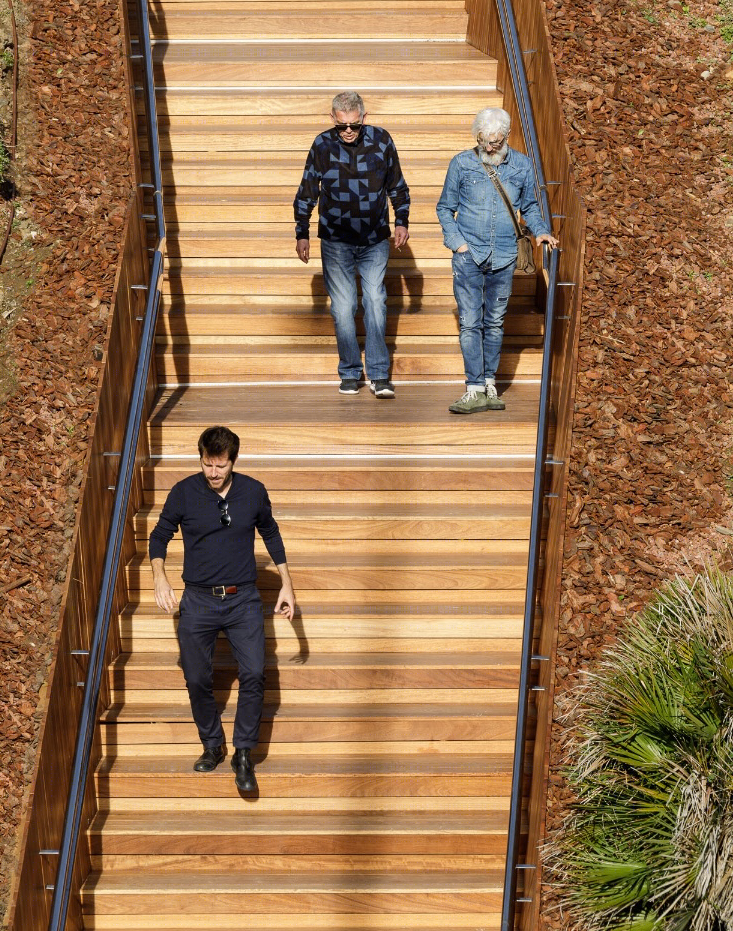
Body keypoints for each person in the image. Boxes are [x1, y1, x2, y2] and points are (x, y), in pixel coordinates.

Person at [149, 425, 295, 792]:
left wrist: (287, 585)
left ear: (234, 461)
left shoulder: (253, 491)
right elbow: (160, 534)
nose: (213, 474)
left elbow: (271, 533)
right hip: (197, 599)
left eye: (220, 467)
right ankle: (212, 745)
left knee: (254, 674)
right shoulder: (184, 492)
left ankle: (243, 753)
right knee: (197, 677)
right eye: (207, 465)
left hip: (243, 598)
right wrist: (159, 578)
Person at [436, 107, 559, 415]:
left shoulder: (522, 165)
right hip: (469, 256)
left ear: (507, 135)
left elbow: (529, 206)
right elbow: (444, 208)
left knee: (494, 322)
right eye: (484, 140)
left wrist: (541, 231)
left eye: (496, 140)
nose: (489, 146)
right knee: (470, 323)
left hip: (504, 256)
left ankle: (489, 384)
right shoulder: (462, 164)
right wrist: (458, 243)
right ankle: (474, 387)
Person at [293, 91, 410, 398]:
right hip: (336, 241)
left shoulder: (382, 141)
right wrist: (301, 231)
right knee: (344, 308)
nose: (347, 131)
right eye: (342, 125)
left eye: (354, 125)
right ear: (333, 119)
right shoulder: (322, 144)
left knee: (375, 300)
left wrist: (402, 221)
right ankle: (349, 371)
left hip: (373, 239)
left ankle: (379, 374)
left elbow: (396, 184)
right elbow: (307, 190)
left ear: (364, 119)